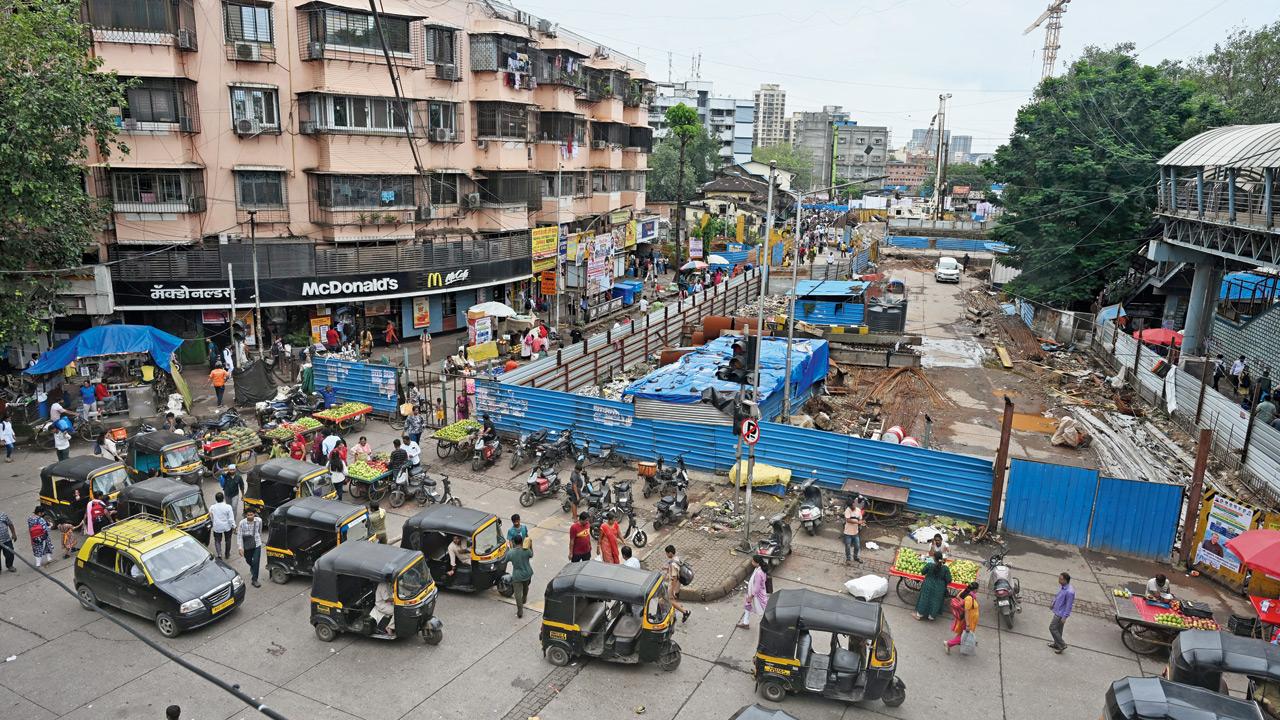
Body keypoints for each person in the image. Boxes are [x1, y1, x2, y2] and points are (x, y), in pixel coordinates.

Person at [913, 551, 952, 620]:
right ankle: (931, 616)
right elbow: (949, 580)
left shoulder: (930, 565)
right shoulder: (945, 568)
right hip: (940, 588)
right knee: (936, 601)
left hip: (928, 585)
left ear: (934, 558)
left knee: (924, 599)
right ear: (941, 558)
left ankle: (919, 615)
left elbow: (922, 572)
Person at [944, 582, 981, 654]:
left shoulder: (964, 591)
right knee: (964, 635)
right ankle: (948, 643)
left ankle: (959, 642)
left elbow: (958, 597)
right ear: (975, 590)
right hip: (967, 620)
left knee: (962, 633)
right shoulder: (969, 598)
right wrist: (967, 625)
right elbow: (967, 611)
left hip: (965, 619)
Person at [506, 535, 534, 618]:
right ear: (522, 542)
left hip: (517, 576)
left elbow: (505, 560)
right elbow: (531, 554)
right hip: (527, 574)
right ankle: (524, 597)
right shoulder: (526, 551)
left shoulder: (511, 552)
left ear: (514, 542)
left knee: (517, 594)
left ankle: (520, 610)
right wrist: (530, 546)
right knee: (526, 587)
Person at [738, 555, 769, 629]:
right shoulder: (760, 569)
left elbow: (757, 587)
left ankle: (768, 624)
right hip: (754, 594)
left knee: (762, 610)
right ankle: (746, 623)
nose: (752, 562)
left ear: (757, 563)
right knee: (747, 606)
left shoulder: (758, 573)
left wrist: (751, 597)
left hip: (757, 596)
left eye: (753, 561)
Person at [1049, 572, 1075, 654]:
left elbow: (1069, 606)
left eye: (1061, 579)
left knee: (1052, 628)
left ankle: (1062, 645)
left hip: (1060, 614)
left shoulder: (1070, 592)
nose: (1059, 580)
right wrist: (1053, 603)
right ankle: (1057, 644)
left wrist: (1065, 617)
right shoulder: (1064, 587)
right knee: (1059, 630)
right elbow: (1058, 596)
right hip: (1058, 611)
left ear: (1065, 580)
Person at [665, 545, 691, 623]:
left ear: (670, 553)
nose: (666, 555)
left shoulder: (673, 564)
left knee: (671, 601)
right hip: (678, 585)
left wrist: (672, 591)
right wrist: (666, 568)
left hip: (674, 585)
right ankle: (675, 612)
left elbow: (674, 578)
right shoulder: (677, 559)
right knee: (671, 600)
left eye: (666, 553)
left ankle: (685, 612)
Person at [237, 508, 263, 587]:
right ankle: (253, 567)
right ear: (245, 515)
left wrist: (258, 538)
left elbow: (259, 531)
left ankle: (254, 580)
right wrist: (240, 547)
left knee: (256, 561)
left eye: (251, 515)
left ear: (254, 514)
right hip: (247, 545)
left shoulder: (259, 521)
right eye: (248, 515)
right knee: (248, 559)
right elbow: (239, 536)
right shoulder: (242, 523)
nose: (250, 516)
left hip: (257, 543)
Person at [209, 492, 235, 559]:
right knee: (228, 540)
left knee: (217, 541)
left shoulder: (212, 507)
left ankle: (219, 554)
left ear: (216, 499)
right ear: (223, 498)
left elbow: (211, 517)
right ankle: (227, 554)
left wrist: (214, 522)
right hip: (227, 527)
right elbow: (231, 518)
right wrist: (234, 526)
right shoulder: (228, 507)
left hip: (217, 527)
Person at [842, 499, 864, 564]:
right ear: (849, 506)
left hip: (855, 532)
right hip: (847, 533)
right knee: (848, 547)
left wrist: (862, 522)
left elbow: (860, 519)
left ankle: (856, 557)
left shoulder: (858, 510)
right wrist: (858, 522)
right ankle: (848, 559)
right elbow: (848, 520)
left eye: (853, 505)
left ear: (854, 503)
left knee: (857, 546)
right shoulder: (847, 510)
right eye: (850, 506)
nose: (852, 507)